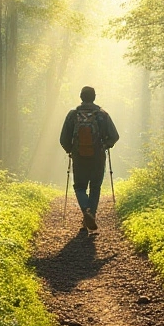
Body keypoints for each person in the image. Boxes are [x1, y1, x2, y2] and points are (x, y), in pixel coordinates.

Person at [59, 85, 120, 232]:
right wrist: (105, 145)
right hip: (98, 157)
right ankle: (91, 214)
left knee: (79, 187)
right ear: (94, 97)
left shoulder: (72, 115)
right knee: (95, 187)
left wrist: (71, 150)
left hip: (79, 157)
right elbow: (115, 136)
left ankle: (86, 211)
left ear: (81, 97)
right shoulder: (102, 115)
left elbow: (63, 139)